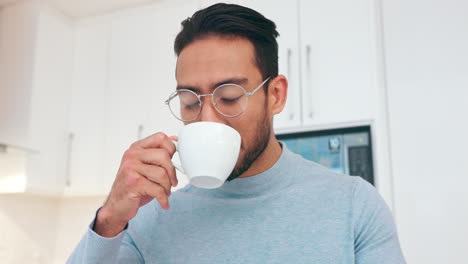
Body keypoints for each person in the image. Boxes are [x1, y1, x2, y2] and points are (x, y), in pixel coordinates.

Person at [67, 3, 406, 263]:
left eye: (229, 97)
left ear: (275, 95)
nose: (208, 120)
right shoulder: (149, 217)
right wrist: (109, 218)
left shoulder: (353, 206)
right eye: (189, 102)